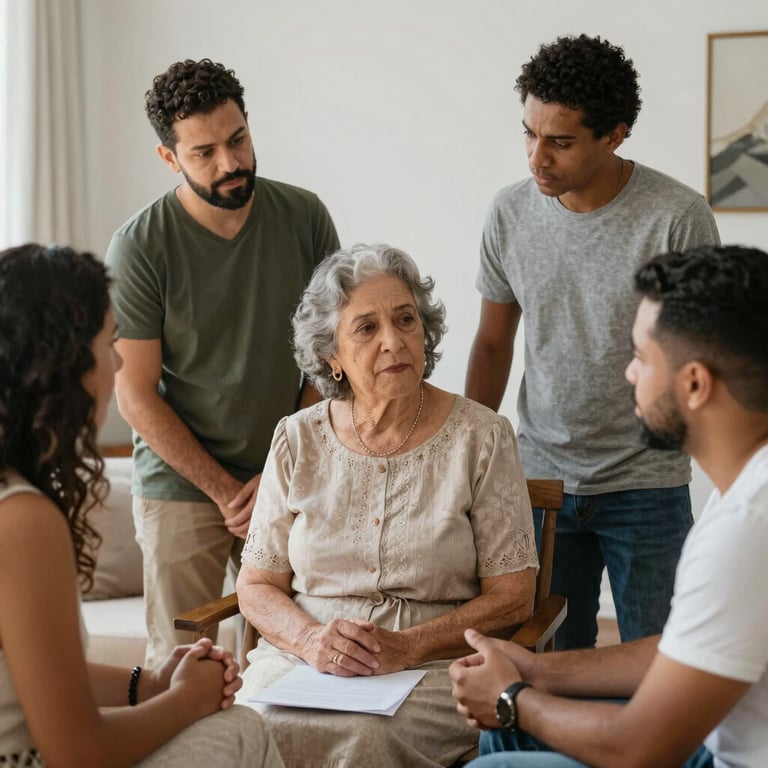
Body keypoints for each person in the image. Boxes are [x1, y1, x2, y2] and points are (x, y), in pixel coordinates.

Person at [450, 243, 768, 768]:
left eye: (641, 358)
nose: (629, 375)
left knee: (493, 762)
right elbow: (681, 648)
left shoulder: (744, 529)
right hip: (719, 739)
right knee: (507, 739)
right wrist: (536, 671)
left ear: (694, 384)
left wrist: (511, 700)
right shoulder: (747, 488)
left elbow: (640, 748)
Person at [235, 243, 539, 767]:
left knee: (367, 740)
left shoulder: (482, 436)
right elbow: (257, 584)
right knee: (251, 729)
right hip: (305, 660)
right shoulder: (296, 438)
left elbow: (514, 596)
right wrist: (309, 640)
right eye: (367, 328)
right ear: (331, 354)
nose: (394, 342)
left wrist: (408, 646)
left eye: (405, 320)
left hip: (434, 665)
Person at [465, 33, 721, 650]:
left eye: (559, 141)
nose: (535, 158)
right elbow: (494, 343)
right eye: (528, 132)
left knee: (662, 667)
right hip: (540, 479)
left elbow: (704, 359)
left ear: (614, 134)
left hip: (647, 482)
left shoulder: (677, 217)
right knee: (549, 665)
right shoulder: (509, 214)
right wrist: (470, 456)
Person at [0, 243, 285, 767]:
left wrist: (150, 683)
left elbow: (27, 672)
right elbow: (78, 751)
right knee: (241, 726)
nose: (116, 363)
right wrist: (186, 701)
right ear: (59, 364)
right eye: (108, 343)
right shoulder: (20, 518)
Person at [105, 58, 340, 667]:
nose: (230, 163)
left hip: (286, 471)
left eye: (237, 139)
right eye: (204, 151)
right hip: (181, 483)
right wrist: (227, 491)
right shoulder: (140, 246)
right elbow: (135, 394)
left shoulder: (305, 217)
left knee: (304, 649)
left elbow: (329, 358)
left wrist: (277, 470)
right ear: (170, 158)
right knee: (177, 662)